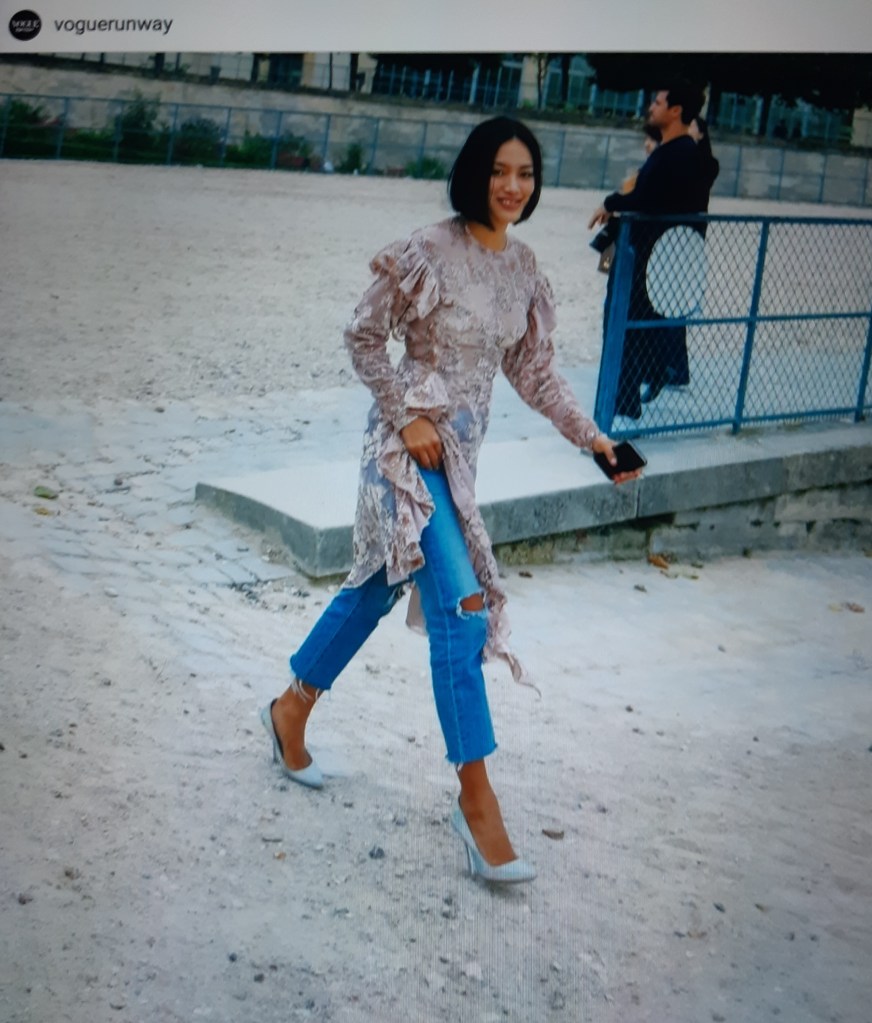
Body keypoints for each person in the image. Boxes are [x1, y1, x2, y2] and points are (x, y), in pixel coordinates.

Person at [260, 117, 641, 886]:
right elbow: (362, 334)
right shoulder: (428, 249)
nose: (512, 186)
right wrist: (408, 413)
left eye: (525, 173)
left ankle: (291, 706)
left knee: (376, 587)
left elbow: (535, 374)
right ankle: (476, 801)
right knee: (464, 611)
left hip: (459, 465)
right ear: (475, 173)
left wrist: (596, 440)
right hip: (403, 454)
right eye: (499, 170)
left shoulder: (523, 268)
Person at [589, 81, 714, 419]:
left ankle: (627, 397)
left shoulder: (679, 153)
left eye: (658, 102)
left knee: (624, 325)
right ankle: (630, 396)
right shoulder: (674, 152)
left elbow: (648, 199)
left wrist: (611, 202)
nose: (651, 107)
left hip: (649, 256)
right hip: (652, 255)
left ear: (675, 110)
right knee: (634, 328)